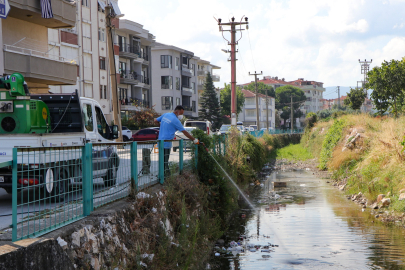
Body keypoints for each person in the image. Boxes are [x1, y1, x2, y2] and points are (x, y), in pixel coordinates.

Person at [154, 105, 199, 178]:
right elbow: (185, 132)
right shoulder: (176, 120)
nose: (181, 116)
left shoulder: (166, 114)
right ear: (177, 111)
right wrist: (194, 139)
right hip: (166, 143)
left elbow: (155, 120)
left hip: (160, 142)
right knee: (165, 162)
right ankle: (165, 177)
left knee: (162, 161)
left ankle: (163, 176)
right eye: (181, 113)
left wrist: (160, 127)